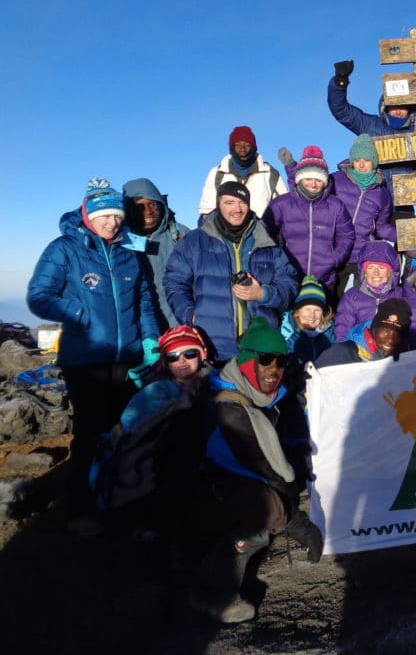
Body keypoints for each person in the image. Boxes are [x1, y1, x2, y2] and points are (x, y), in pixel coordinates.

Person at [27, 177, 161, 535]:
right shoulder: (65, 249)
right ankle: (81, 508)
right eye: (104, 217)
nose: (112, 223)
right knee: (90, 434)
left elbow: (144, 302)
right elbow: (40, 295)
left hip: (129, 359)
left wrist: (151, 343)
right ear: (88, 215)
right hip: (86, 360)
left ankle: (123, 503)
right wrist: (78, 313)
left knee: (127, 433)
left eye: (117, 216)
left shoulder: (128, 251)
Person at [184, 317, 322, 624]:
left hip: (211, 490)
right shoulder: (229, 410)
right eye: (265, 359)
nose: (274, 369)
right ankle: (210, 593)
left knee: (266, 499)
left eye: (281, 361)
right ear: (247, 361)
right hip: (189, 498)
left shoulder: (254, 396)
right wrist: (298, 523)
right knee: (264, 510)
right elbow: (263, 471)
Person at [90, 324, 212, 535]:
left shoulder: (211, 386)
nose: (181, 360)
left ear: (202, 355)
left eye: (189, 353)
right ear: (166, 363)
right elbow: (129, 435)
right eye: (173, 357)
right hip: (143, 473)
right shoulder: (156, 391)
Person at [164, 181, 298, 364]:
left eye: (242, 202)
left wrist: (263, 293)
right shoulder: (194, 242)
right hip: (212, 349)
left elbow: (289, 284)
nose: (237, 209)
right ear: (218, 204)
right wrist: (189, 315)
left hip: (260, 350)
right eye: (229, 202)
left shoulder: (267, 242)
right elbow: (174, 281)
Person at [326, 60, 416, 220]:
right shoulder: (370, 125)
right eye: (394, 105)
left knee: (407, 244)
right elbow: (341, 110)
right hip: (372, 201)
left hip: (403, 204)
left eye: (403, 106)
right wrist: (340, 82)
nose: (398, 110)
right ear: (385, 106)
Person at [263, 145, 355, 299]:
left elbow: (347, 236)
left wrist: (334, 259)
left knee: (324, 322)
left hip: (324, 280)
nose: (313, 184)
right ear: (299, 178)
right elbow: (265, 233)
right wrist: (279, 261)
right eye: (308, 179)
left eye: (318, 180)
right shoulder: (281, 204)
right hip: (289, 278)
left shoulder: (335, 206)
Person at [122, 178, 190, 331]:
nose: (148, 211)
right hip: (140, 332)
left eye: (152, 204)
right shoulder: (118, 243)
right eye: (140, 206)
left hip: (180, 328)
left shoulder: (182, 235)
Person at [198, 125, 288, 220]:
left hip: (261, 232)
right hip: (224, 233)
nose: (243, 149)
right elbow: (206, 211)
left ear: (254, 148)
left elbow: (285, 207)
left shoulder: (270, 174)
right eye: (238, 145)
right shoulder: (217, 174)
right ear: (231, 148)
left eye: (247, 145)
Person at [333, 240, 403, 339]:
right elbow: (342, 329)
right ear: (364, 272)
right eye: (371, 267)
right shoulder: (351, 297)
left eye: (382, 268)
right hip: (359, 349)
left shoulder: (400, 296)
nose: (376, 273)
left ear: (389, 273)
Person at [317, 298, 413, 366]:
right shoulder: (343, 353)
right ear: (374, 329)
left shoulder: (406, 359)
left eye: (397, 334)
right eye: (385, 331)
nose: (390, 340)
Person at [281, 275, 336, 364]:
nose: (312, 315)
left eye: (317, 310)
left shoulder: (330, 332)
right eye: (307, 310)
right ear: (298, 311)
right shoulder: (288, 333)